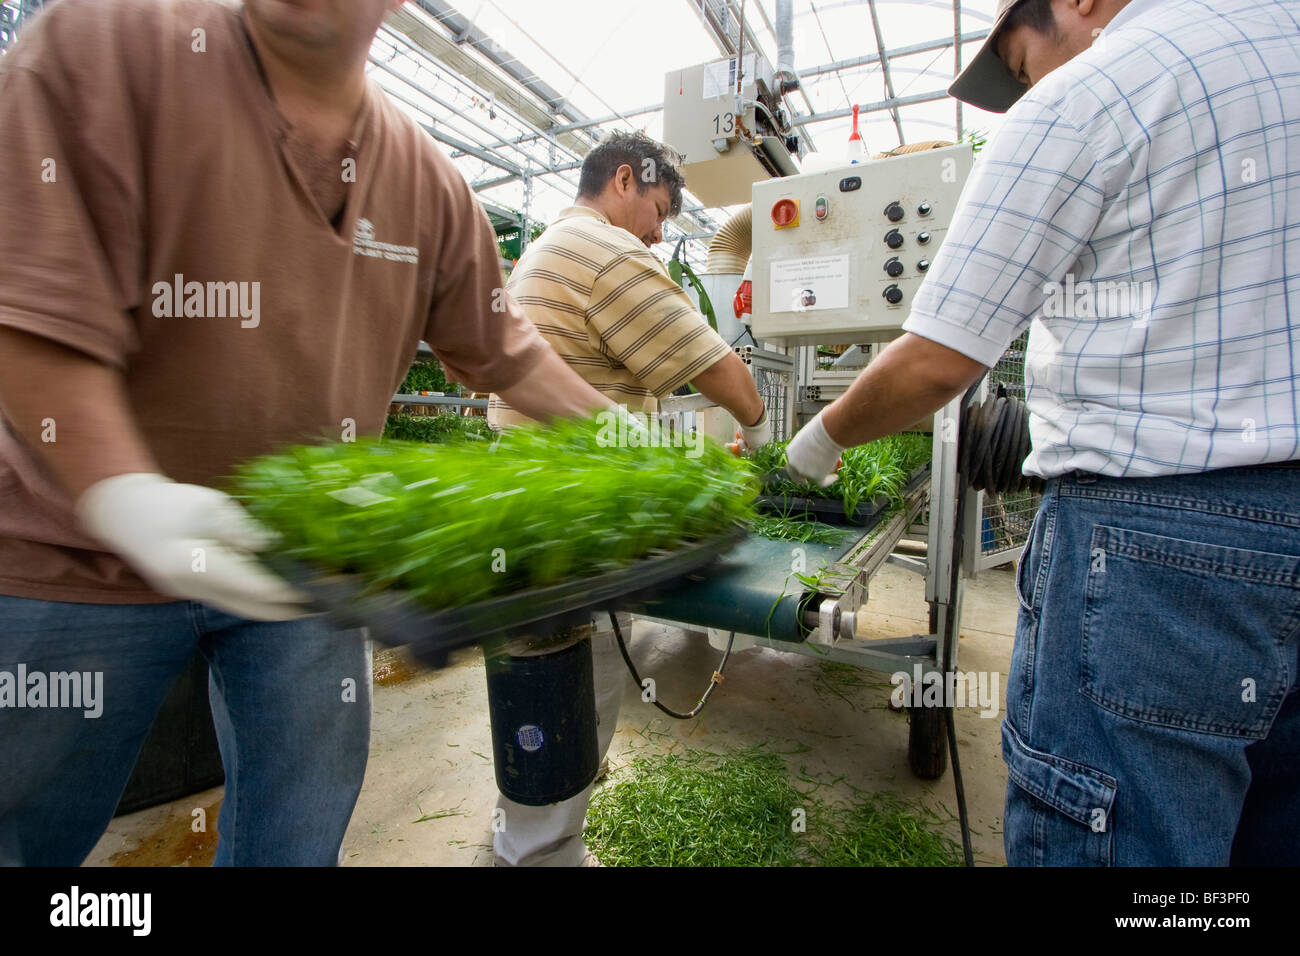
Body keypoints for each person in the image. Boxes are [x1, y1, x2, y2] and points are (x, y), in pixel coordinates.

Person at [0, 0, 611, 866]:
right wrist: (125, 497)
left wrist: (626, 438)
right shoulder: (103, 44)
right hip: (70, 554)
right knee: (22, 830)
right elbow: (27, 305)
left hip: (301, 565)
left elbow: (505, 351)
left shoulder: (426, 181)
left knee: (296, 830)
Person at [786, 0, 1300, 866]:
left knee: (1124, 839)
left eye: (1024, 65)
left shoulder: (1094, 90)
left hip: (1157, 551)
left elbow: (937, 360)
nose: (1033, 87)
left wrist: (823, 437)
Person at [486, 131, 770, 866]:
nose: (660, 232)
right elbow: (729, 381)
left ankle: (526, 830)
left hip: (523, 493)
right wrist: (771, 435)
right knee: (575, 678)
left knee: (534, 677)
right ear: (625, 180)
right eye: (660, 210)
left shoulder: (553, 244)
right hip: (572, 510)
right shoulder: (611, 252)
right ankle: (544, 852)